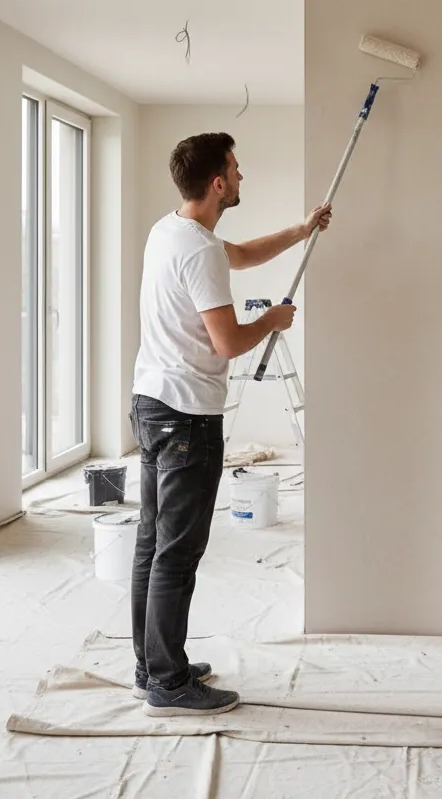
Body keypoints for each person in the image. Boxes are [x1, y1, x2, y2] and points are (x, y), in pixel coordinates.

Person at [129, 131, 331, 717]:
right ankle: (167, 684)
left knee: (152, 543)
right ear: (217, 183)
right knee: (177, 553)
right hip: (187, 415)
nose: (241, 178)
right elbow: (225, 344)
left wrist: (302, 230)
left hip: (151, 403)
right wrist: (271, 320)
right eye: (236, 171)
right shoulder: (196, 251)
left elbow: (239, 254)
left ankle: (153, 665)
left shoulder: (173, 232)